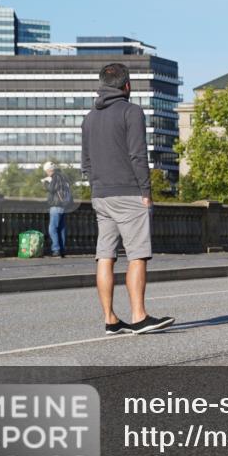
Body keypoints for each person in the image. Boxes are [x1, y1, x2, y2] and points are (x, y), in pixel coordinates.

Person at [81, 63, 174, 335]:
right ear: (127, 85)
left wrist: (97, 186)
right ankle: (139, 316)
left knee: (105, 256)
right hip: (129, 193)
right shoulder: (131, 112)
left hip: (101, 195)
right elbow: (137, 155)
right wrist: (146, 192)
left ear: (101, 85)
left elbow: (86, 162)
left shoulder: (89, 118)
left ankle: (110, 319)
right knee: (137, 255)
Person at [42, 160, 73, 258]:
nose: (47, 173)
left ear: (49, 170)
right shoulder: (63, 176)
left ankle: (56, 250)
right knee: (61, 228)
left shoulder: (55, 177)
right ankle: (62, 250)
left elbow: (52, 189)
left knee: (52, 228)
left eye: (46, 171)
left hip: (56, 205)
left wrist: (45, 182)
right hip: (64, 206)